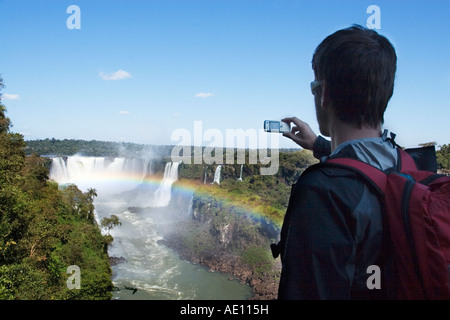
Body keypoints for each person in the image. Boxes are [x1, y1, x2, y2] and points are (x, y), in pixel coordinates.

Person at [275, 25, 399, 299]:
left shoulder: (322, 192)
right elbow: (365, 169)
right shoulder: (407, 162)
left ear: (324, 93)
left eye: (314, 86)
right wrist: (318, 144)